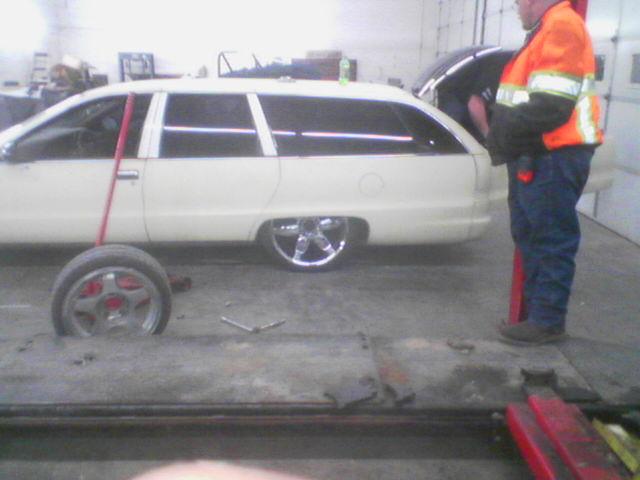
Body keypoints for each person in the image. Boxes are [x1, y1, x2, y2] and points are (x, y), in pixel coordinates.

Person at [487, 0, 603, 345]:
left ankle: (547, 322)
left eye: (518, 1)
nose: (516, 7)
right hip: (539, 153)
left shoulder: (561, 25)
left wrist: (505, 135)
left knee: (551, 239)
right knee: (532, 236)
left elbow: (551, 105)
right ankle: (539, 317)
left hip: (552, 153)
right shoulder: (547, 29)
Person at [438, 52, 512, 143]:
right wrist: (487, 136)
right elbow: (475, 103)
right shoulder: (497, 70)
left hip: (472, 83)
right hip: (454, 88)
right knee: (452, 131)